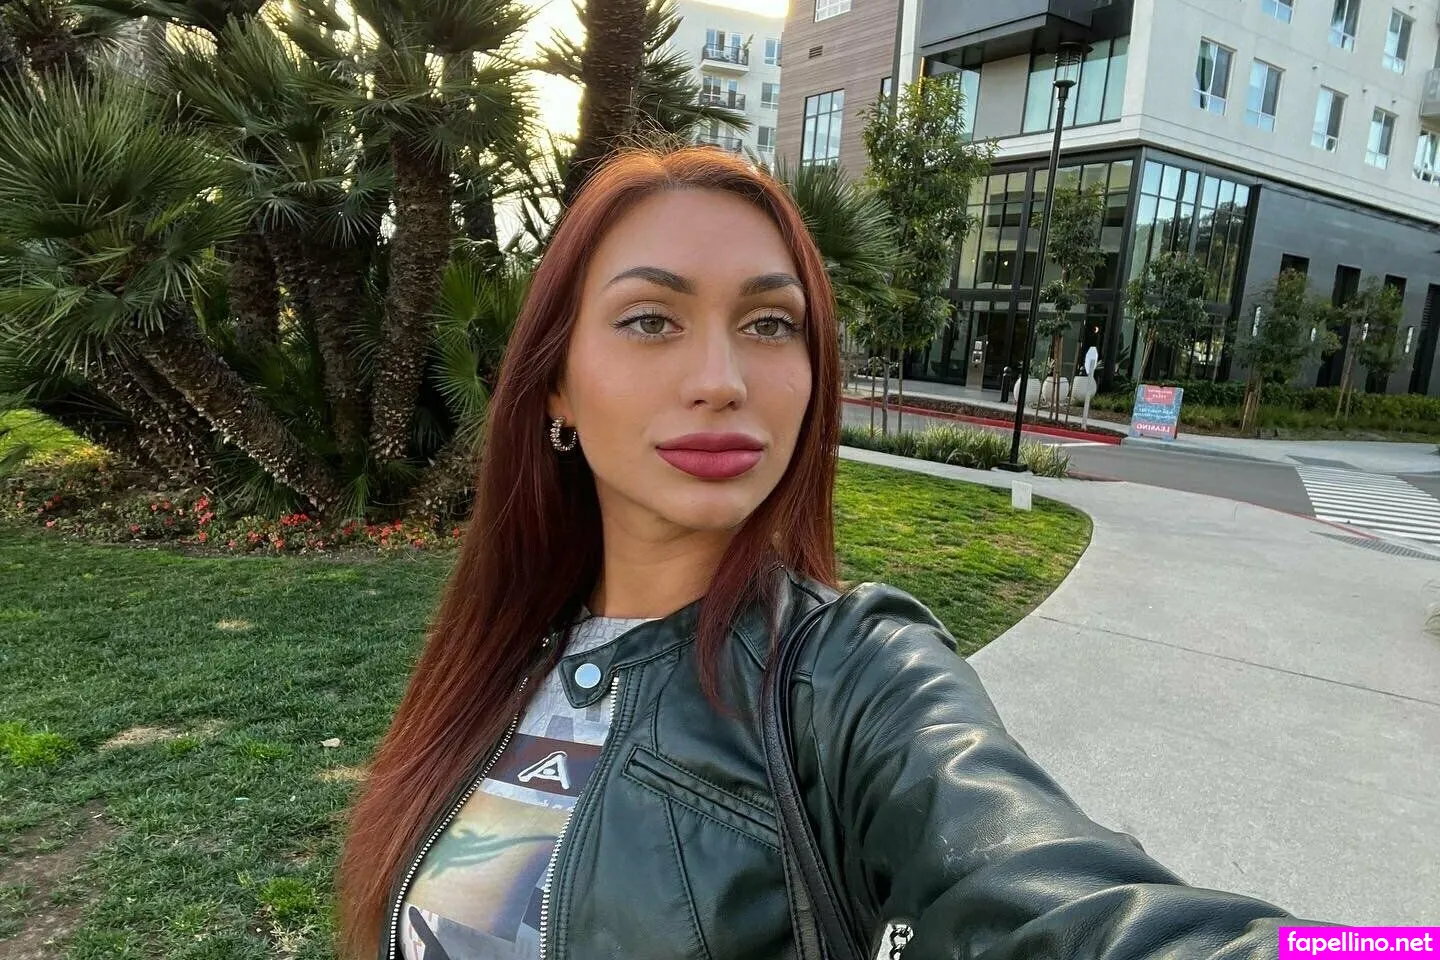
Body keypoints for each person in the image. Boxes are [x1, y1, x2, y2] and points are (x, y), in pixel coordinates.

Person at [335, 146, 1298, 960]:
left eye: (769, 324)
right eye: (650, 320)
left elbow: (1083, 918)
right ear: (557, 384)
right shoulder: (503, 651)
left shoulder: (851, 680)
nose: (720, 380)